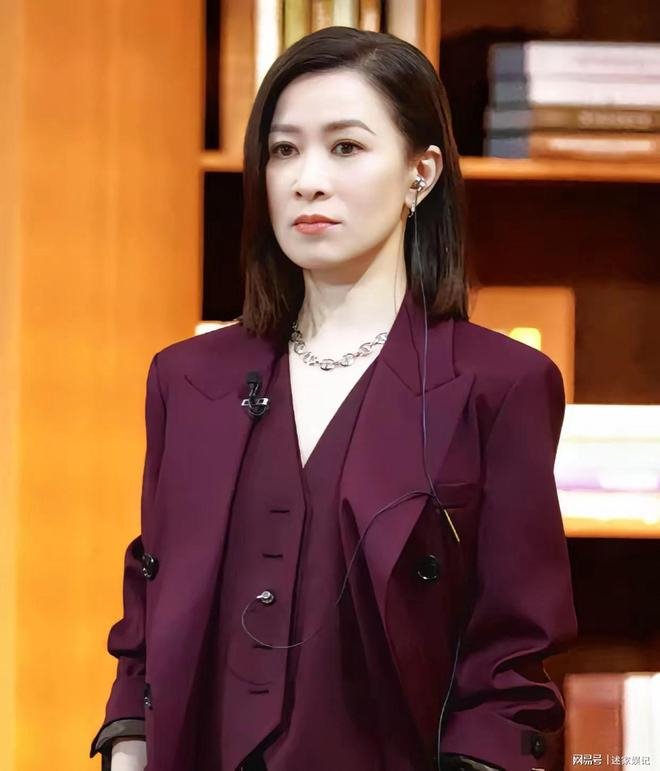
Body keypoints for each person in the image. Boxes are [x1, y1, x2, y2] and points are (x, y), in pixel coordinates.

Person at [89, 26, 577, 771]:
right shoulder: (187, 379)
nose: (306, 180)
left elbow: (510, 652)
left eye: (345, 147)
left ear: (421, 172)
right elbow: (149, 604)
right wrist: (128, 746)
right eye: (284, 150)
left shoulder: (502, 385)